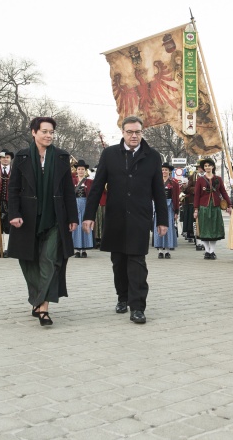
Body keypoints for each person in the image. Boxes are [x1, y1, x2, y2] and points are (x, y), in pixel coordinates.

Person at [83, 115, 168, 325]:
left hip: (140, 217)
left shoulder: (152, 156)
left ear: (142, 132)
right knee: (118, 261)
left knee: (137, 262)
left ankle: (137, 307)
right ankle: (122, 297)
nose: (134, 136)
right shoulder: (110, 154)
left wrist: (162, 220)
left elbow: (158, 190)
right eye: (130, 132)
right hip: (116, 216)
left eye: (137, 132)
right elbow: (97, 187)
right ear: (122, 132)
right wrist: (89, 216)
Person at [7, 117, 78, 327]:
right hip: (27, 219)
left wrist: (72, 217)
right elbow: (13, 189)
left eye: (51, 132)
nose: (49, 135)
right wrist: (14, 213)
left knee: (50, 260)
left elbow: (68, 190)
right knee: (28, 262)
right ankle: (37, 298)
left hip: (55, 217)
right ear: (34, 132)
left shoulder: (61, 157)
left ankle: (43, 308)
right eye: (44, 131)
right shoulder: (22, 157)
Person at [193, 157, 232, 260]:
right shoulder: (200, 180)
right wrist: (196, 209)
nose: (207, 167)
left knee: (214, 229)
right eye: (205, 166)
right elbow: (197, 195)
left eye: (209, 165)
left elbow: (223, 192)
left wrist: (229, 204)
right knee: (205, 229)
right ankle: (207, 251)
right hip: (204, 207)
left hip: (215, 207)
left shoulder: (218, 179)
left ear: (213, 167)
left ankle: (212, 251)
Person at [155, 163, 180, 259]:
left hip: (170, 206)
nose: (164, 171)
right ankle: (160, 250)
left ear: (169, 171)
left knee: (169, 227)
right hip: (158, 206)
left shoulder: (174, 183)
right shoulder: (156, 181)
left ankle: (167, 250)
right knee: (158, 226)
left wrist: (176, 211)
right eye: (162, 170)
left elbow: (176, 198)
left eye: (166, 170)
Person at [72, 160, 94, 258]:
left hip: (85, 204)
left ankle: (84, 249)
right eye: (79, 169)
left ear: (85, 170)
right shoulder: (72, 181)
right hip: (75, 204)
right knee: (76, 225)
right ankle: (77, 249)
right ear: (76, 170)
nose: (80, 171)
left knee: (85, 224)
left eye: (82, 169)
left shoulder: (89, 181)